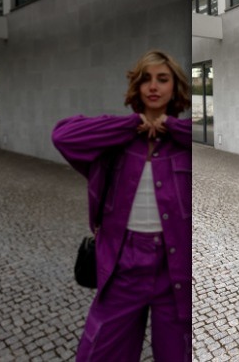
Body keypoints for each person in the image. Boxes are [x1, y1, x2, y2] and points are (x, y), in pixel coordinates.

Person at [52, 50, 192, 361]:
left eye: (162, 79)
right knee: (98, 353)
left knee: (178, 353)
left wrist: (173, 128)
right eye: (145, 79)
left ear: (175, 87)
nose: (153, 86)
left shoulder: (185, 146)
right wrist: (131, 126)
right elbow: (62, 135)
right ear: (137, 87)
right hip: (123, 264)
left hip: (177, 269)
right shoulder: (115, 141)